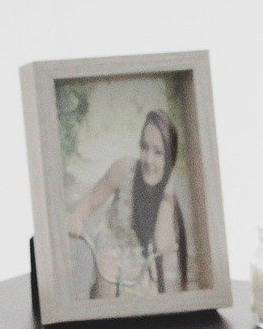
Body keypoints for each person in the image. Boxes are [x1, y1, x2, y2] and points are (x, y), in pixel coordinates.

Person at [65, 109, 189, 298]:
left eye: (158, 152)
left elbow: (162, 244)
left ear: (170, 158)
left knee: (150, 298)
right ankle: (102, 318)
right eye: (144, 147)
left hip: (141, 262)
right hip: (112, 246)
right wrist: (77, 217)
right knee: (108, 272)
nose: (148, 159)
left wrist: (167, 191)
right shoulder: (125, 169)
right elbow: (91, 201)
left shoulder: (169, 200)